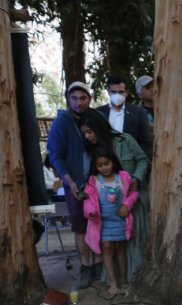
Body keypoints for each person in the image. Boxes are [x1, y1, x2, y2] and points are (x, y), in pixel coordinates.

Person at [79, 110, 149, 281]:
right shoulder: (90, 151)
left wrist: (136, 178)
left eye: (89, 131)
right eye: (84, 133)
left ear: (99, 127)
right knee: (112, 245)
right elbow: (87, 179)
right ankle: (116, 280)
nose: (87, 136)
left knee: (134, 240)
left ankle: (136, 278)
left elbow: (143, 159)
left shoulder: (125, 139)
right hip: (107, 209)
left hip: (133, 201)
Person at [47, 81, 99, 289]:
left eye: (83, 98)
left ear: (89, 98)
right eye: (74, 98)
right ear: (68, 99)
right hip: (75, 183)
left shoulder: (96, 118)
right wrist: (69, 181)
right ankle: (85, 267)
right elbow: (56, 155)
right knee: (80, 227)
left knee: (99, 223)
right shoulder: (62, 122)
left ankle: (100, 266)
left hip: (97, 181)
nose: (79, 102)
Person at [83, 147, 139, 296]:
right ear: (95, 167)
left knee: (120, 248)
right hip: (102, 223)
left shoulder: (123, 177)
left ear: (113, 162)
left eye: (106, 163)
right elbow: (88, 201)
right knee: (106, 247)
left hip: (120, 221)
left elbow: (133, 194)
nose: (104, 168)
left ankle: (123, 281)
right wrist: (90, 212)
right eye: (99, 165)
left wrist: (127, 205)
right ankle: (113, 283)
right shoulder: (94, 181)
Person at [97, 75, 153, 157]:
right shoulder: (99, 112)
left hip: (131, 164)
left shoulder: (138, 112)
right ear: (108, 91)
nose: (117, 95)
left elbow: (145, 141)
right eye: (113, 92)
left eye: (121, 92)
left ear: (127, 92)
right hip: (106, 164)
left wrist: (135, 159)